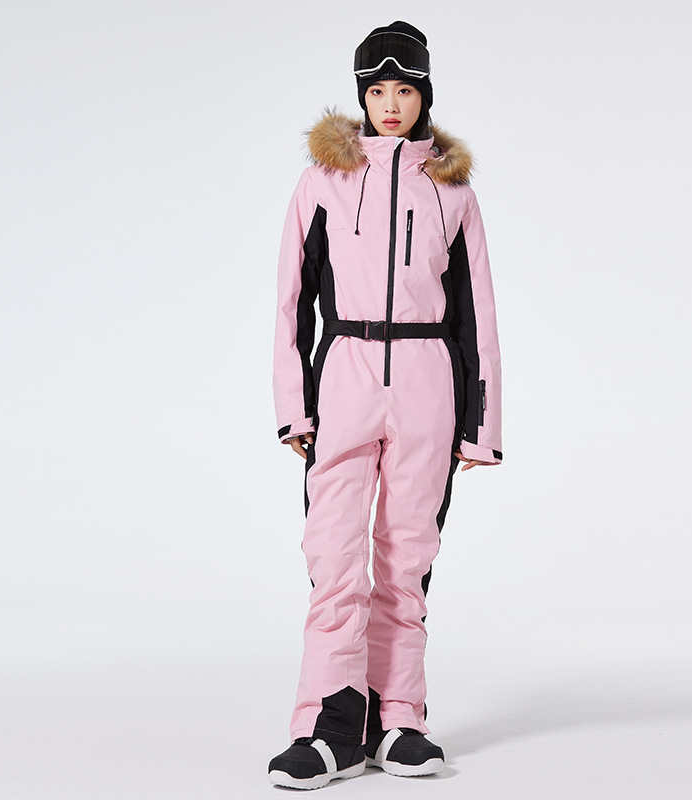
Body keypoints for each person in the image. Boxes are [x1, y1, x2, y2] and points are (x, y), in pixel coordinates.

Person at [268, 20, 503, 790]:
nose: (392, 104)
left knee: (407, 559)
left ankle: (399, 719)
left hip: (430, 383)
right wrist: (294, 406)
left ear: (424, 95)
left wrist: (481, 424)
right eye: (378, 91)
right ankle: (329, 727)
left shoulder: (453, 191)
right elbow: (291, 300)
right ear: (362, 97)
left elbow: (476, 313)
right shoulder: (323, 183)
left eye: (405, 89)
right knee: (334, 555)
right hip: (345, 375)